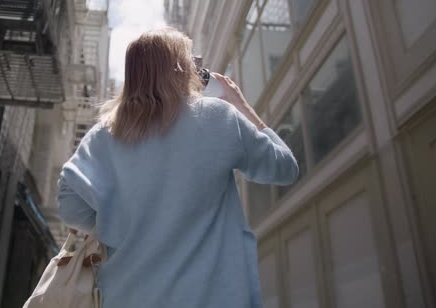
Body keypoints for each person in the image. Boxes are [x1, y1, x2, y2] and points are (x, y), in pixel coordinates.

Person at [57, 27, 299, 308]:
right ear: (179, 67)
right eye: (192, 58)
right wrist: (241, 105)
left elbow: (69, 207)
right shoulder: (218, 118)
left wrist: (119, 222)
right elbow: (285, 168)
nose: (198, 63)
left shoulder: (103, 136)